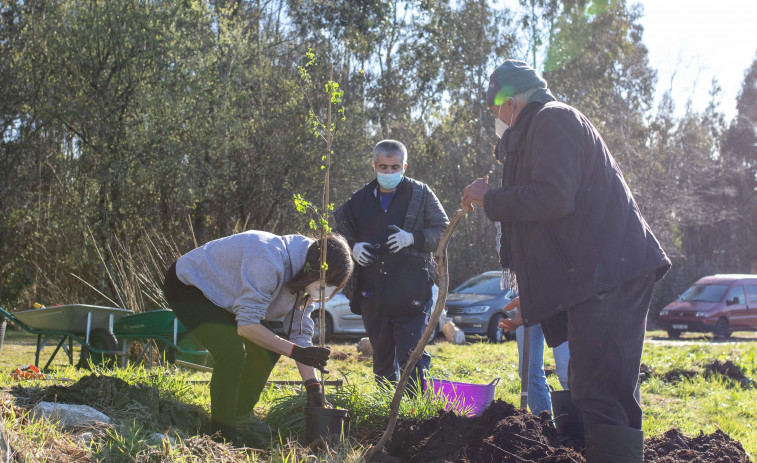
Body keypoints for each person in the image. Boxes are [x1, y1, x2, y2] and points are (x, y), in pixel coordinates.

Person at [462, 60, 671, 463]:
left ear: (511, 103)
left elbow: (552, 198)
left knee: (601, 388)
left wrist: (489, 199)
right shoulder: (533, 135)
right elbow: (549, 233)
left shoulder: (553, 120)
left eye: (494, 110)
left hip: (611, 274)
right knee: (586, 384)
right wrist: (536, 296)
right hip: (594, 277)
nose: (494, 120)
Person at [162, 231, 353, 443]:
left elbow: (299, 334)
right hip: (189, 285)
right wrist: (295, 352)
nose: (326, 292)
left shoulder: (307, 279)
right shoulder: (267, 258)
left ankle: (240, 416)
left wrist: (313, 386)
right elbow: (247, 326)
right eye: (327, 283)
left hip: (229, 299)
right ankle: (221, 434)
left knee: (269, 349)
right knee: (231, 352)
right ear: (316, 268)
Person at [334, 139, 449, 395]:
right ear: (374, 166)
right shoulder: (360, 199)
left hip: (412, 292)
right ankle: (385, 413)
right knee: (382, 360)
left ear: (404, 166)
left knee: (412, 357)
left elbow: (444, 230)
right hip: (372, 294)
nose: (388, 173)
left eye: (394, 167)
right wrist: (352, 247)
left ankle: (413, 414)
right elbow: (337, 233)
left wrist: (413, 238)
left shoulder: (421, 194)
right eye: (383, 167)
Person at [502, 297, 570, 416]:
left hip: (561, 300)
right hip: (529, 301)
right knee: (528, 373)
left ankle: (583, 428)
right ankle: (545, 426)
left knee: (567, 373)